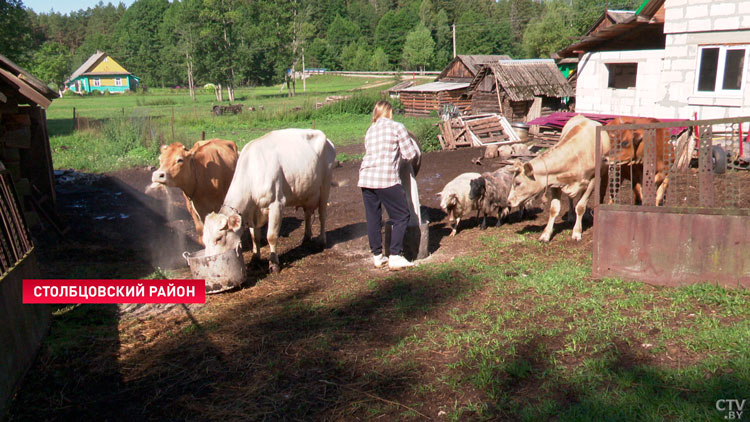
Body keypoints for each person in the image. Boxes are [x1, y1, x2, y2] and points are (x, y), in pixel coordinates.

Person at [358, 100, 420, 270]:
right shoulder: (397, 126)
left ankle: (377, 256)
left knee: (373, 218)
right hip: (385, 178)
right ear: (389, 112)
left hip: (366, 178)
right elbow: (410, 154)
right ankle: (395, 255)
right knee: (401, 215)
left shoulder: (370, 130)